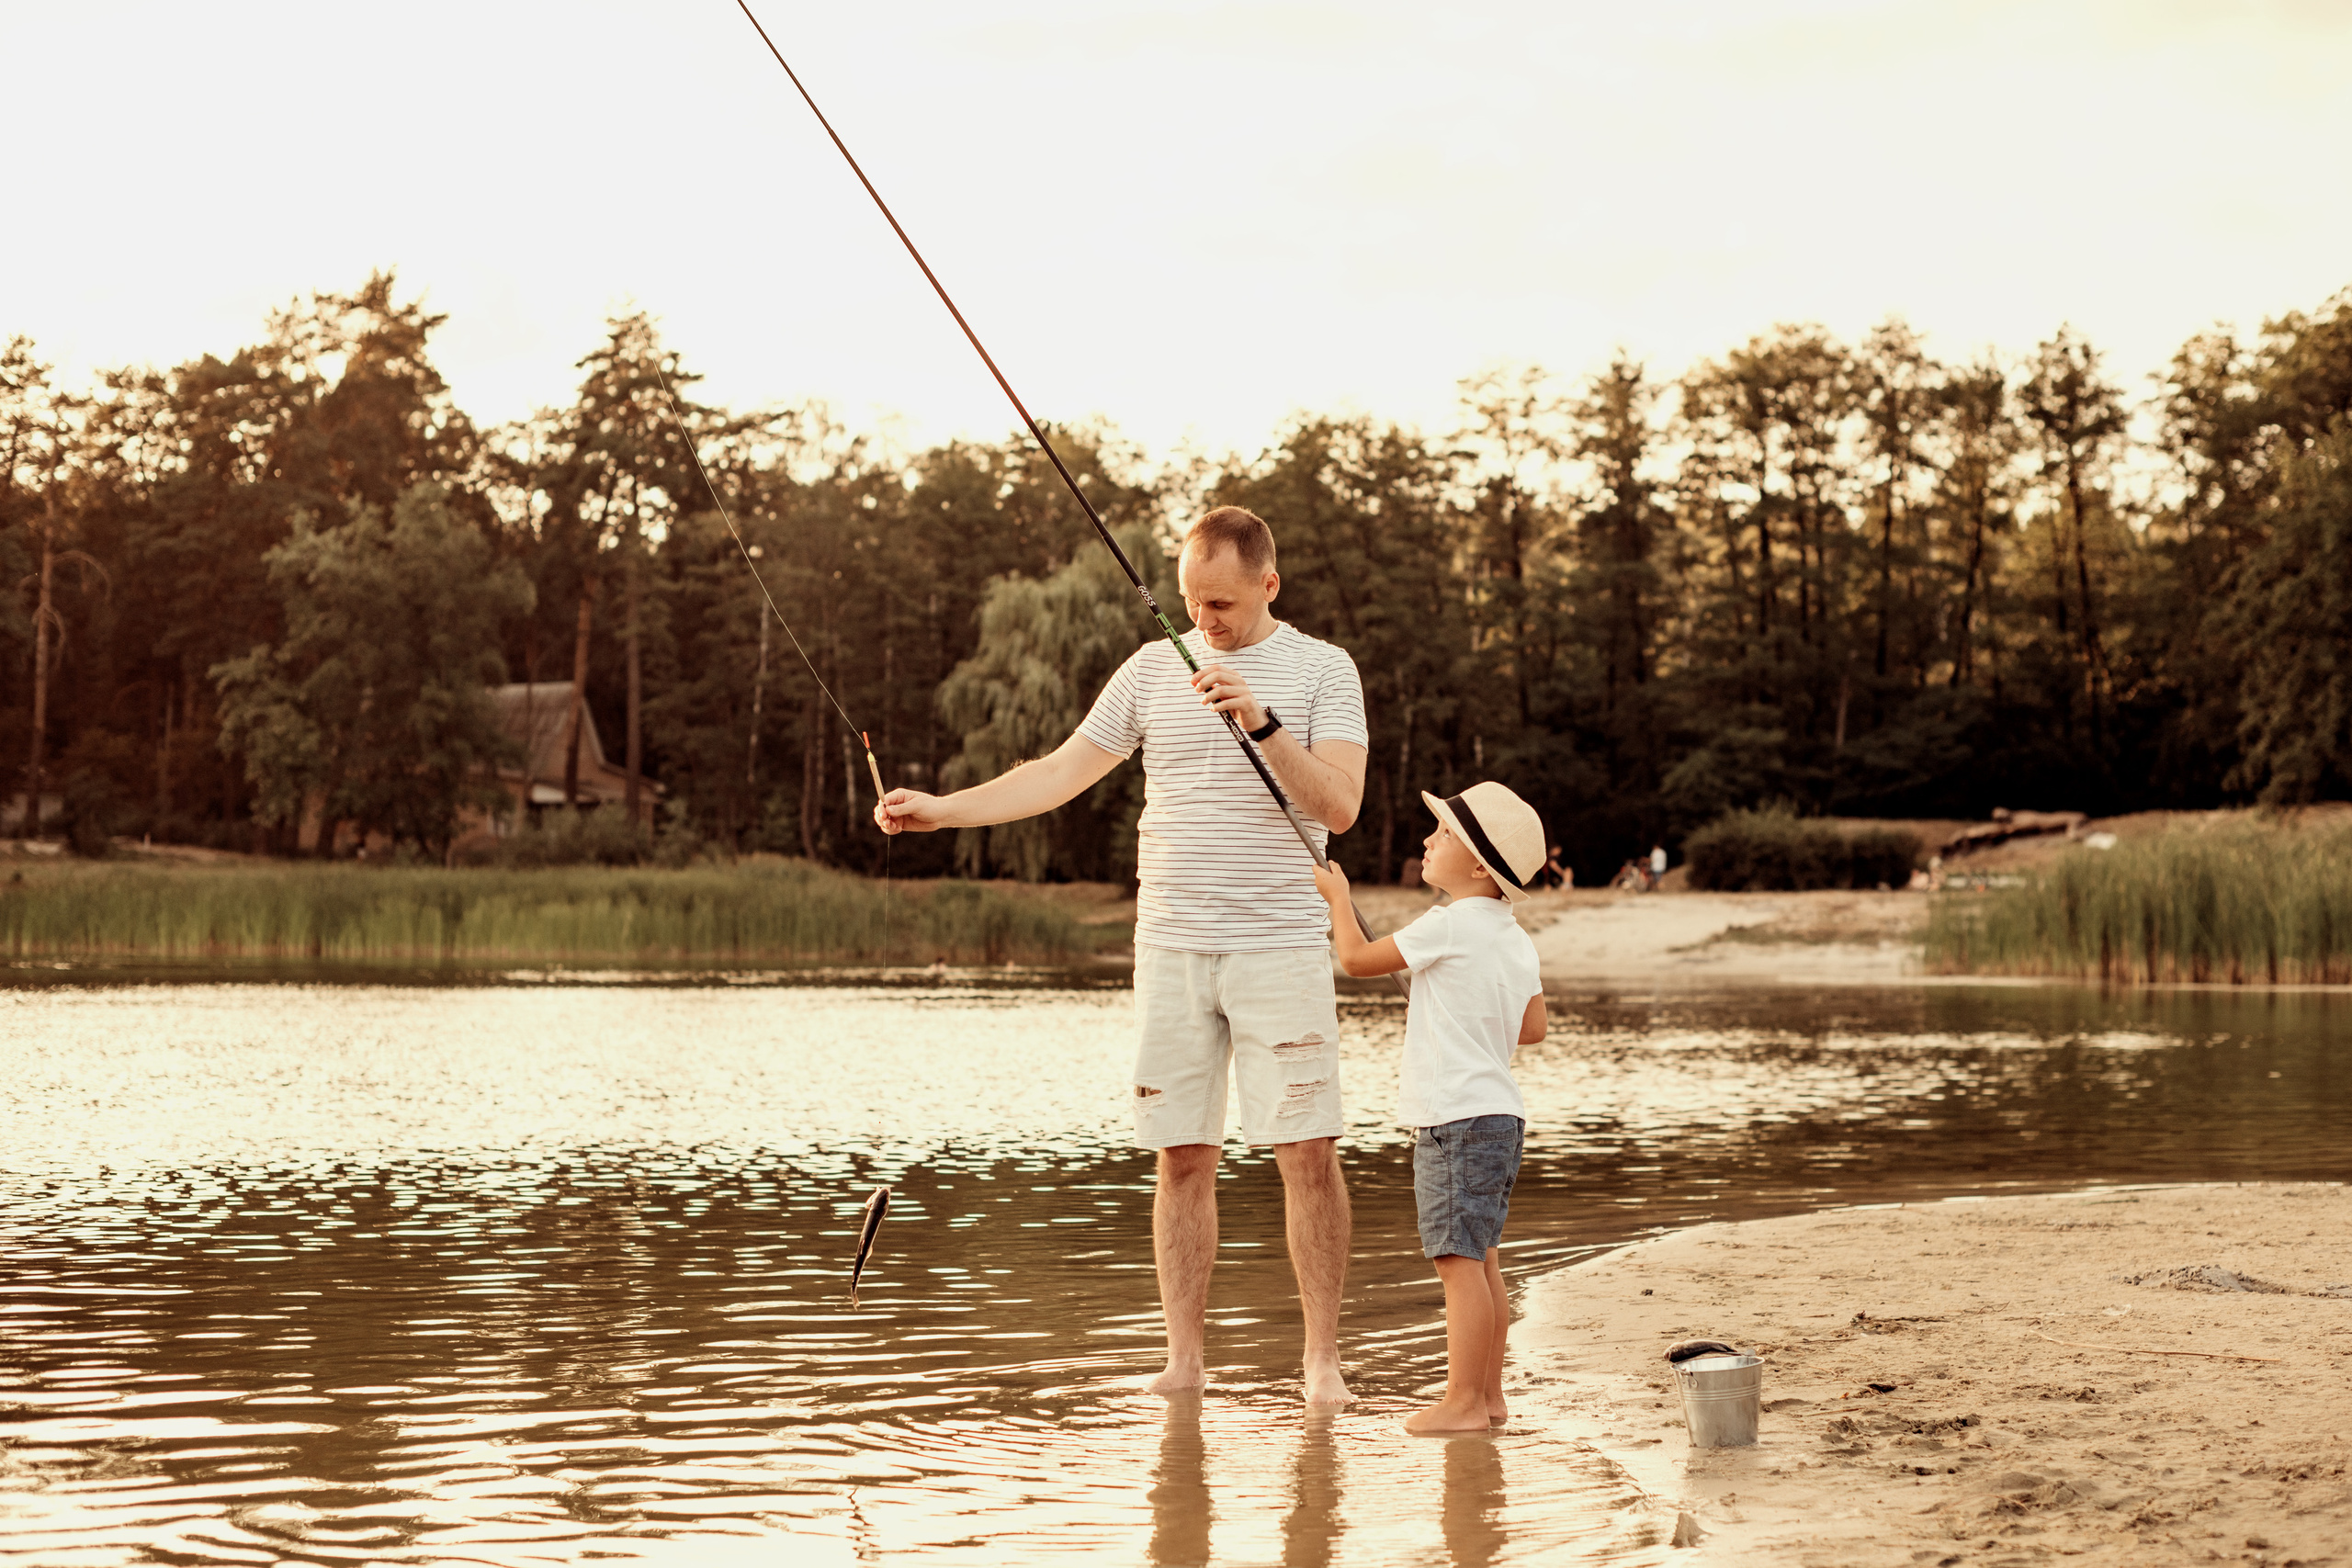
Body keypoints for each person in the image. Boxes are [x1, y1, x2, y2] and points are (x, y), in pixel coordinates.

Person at [873, 505, 1367, 1405]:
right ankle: (1184, 1364)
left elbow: (1340, 807)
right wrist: (941, 810)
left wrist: (1262, 722)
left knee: (1306, 1151)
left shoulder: (1323, 669)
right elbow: (1058, 772)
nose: (1204, 621)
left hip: (1281, 944)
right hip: (1171, 946)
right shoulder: (1149, 668)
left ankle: (1322, 1363)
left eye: (1221, 603)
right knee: (1180, 1156)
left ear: (1269, 583)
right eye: (1191, 601)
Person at [1310, 781, 1546, 1433]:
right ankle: (1489, 1397)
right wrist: (1454, 1000)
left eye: (1443, 833)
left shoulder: (1445, 923)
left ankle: (1463, 1401)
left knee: (1456, 1261)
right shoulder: (1516, 938)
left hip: (1455, 1119)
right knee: (1483, 1257)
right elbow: (1531, 1028)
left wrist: (1339, 899)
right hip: (1501, 1117)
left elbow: (1356, 958)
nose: (1427, 839)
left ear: (1479, 868)